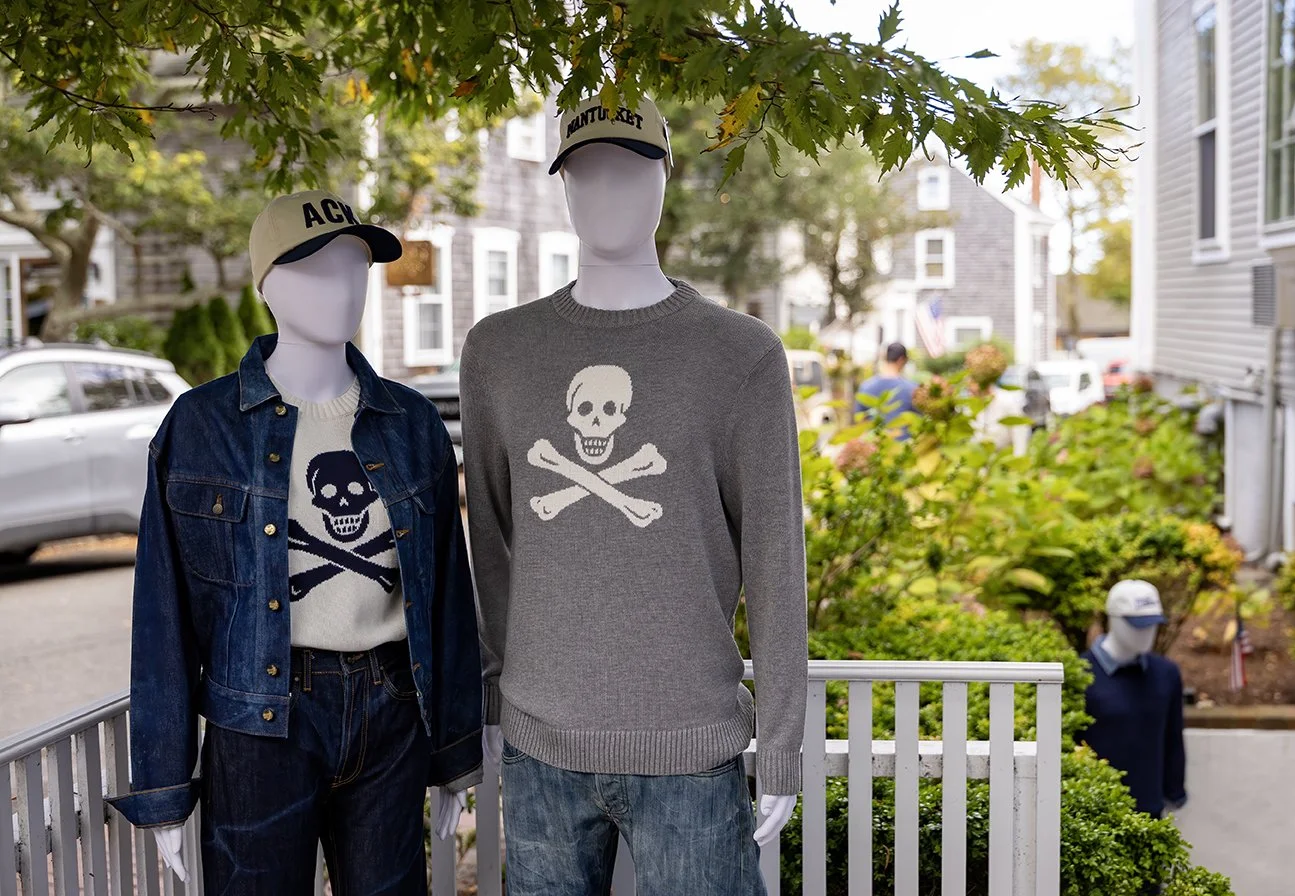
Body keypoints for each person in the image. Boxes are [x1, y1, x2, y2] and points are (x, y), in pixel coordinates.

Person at [459, 94, 808, 895]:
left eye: (628, 170)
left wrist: (782, 743)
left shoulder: (741, 355)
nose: (605, 193)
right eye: (585, 174)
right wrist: (497, 697)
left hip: (690, 748)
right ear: (563, 188)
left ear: (664, 180)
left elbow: (776, 561)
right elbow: (491, 546)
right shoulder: (499, 352)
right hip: (540, 750)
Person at [109, 190, 485, 894]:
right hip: (259, 721)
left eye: (354, 267)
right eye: (315, 269)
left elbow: (448, 601)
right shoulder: (202, 427)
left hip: (392, 709)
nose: (342, 287)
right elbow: (161, 618)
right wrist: (163, 782)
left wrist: (456, 750)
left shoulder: (412, 424)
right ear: (269, 284)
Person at [1078, 580, 1187, 819]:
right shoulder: (1080, 674)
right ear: (1114, 620)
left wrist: (1174, 792)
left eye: (1152, 625)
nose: (1147, 633)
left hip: (1150, 811)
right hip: (1092, 815)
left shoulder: (1166, 674)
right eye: (1138, 625)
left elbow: (1173, 737)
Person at [856, 342, 918, 425]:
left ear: (886, 357)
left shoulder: (866, 386)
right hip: (902, 433)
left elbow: (860, 419)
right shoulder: (912, 388)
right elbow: (918, 419)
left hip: (875, 433)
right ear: (901, 359)